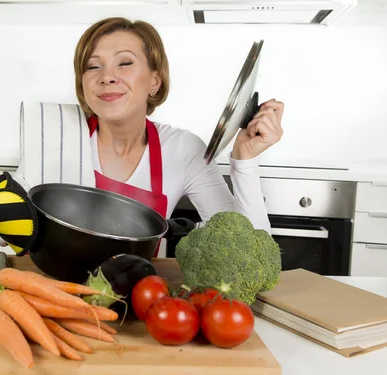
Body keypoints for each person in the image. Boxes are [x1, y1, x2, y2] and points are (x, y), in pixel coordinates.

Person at [74, 17, 284, 239]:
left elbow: (247, 249)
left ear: (155, 81)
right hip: (45, 275)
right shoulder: (55, 134)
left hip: (138, 275)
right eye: (93, 66)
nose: (106, 77)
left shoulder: (182, 149)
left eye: (124, 63)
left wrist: (245, 160)